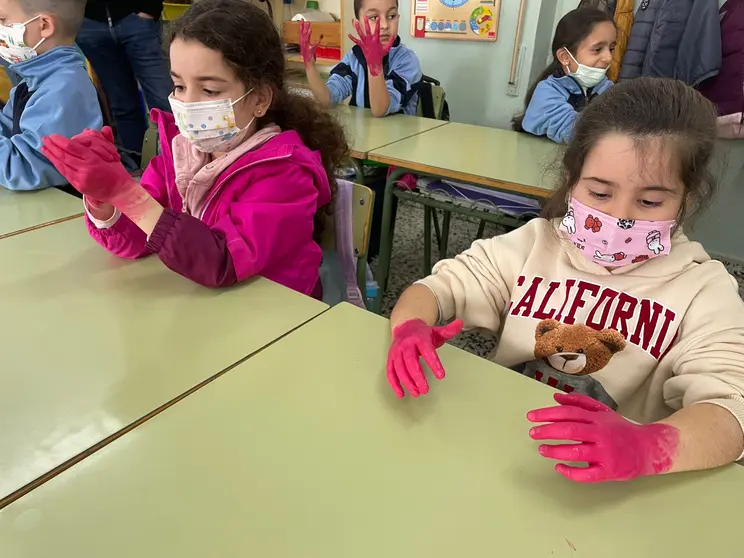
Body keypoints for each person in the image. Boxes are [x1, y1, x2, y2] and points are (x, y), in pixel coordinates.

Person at [386, 77, 744, 483]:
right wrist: (411, 325)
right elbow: (437, 288)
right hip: (499, 451)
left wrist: (646, 448)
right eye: (599, 193)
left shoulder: (704, 289)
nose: (620, 217)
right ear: (573, 180)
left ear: (687, 200)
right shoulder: (535, 244)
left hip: (608, 482)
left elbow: (730, 412)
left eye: (650, 202)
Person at [41, 0, 348, 296]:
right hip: (207, 308)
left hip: (275, 322)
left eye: (209, 89)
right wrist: (102, 197)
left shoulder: (286, 174)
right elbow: (137, 240)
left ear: (260, 100)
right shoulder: (180, 154)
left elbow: (223, 262)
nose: (187, 103)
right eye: (179, 86)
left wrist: (127, 194)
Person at [0, 0, 101, 190]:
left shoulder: (65, 87)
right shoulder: (32, 82)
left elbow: (23, 168)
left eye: (2, 20)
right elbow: (6, 128)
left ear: (44, 25)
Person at [76, 1, 172, 157]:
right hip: (90, 24)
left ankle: (181, 161)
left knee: (164, 100)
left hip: (137, 20)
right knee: (122, 106)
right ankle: (138, 163)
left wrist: (150, 8)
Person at [512, 7, 616, 144]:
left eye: (611, 48)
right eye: (597, 49)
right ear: (565, 57)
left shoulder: (608, 89)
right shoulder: (546, 92)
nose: (608, 58)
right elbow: (578, 133)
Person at [301, 0, 422, 117]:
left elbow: (380, 109)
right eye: (374, 18)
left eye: (391, 16)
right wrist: (310, 66)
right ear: (357, 25)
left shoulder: (407, 60)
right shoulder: (354, 57)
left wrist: (374, 64)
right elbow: (326, 100)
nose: (385, 25)